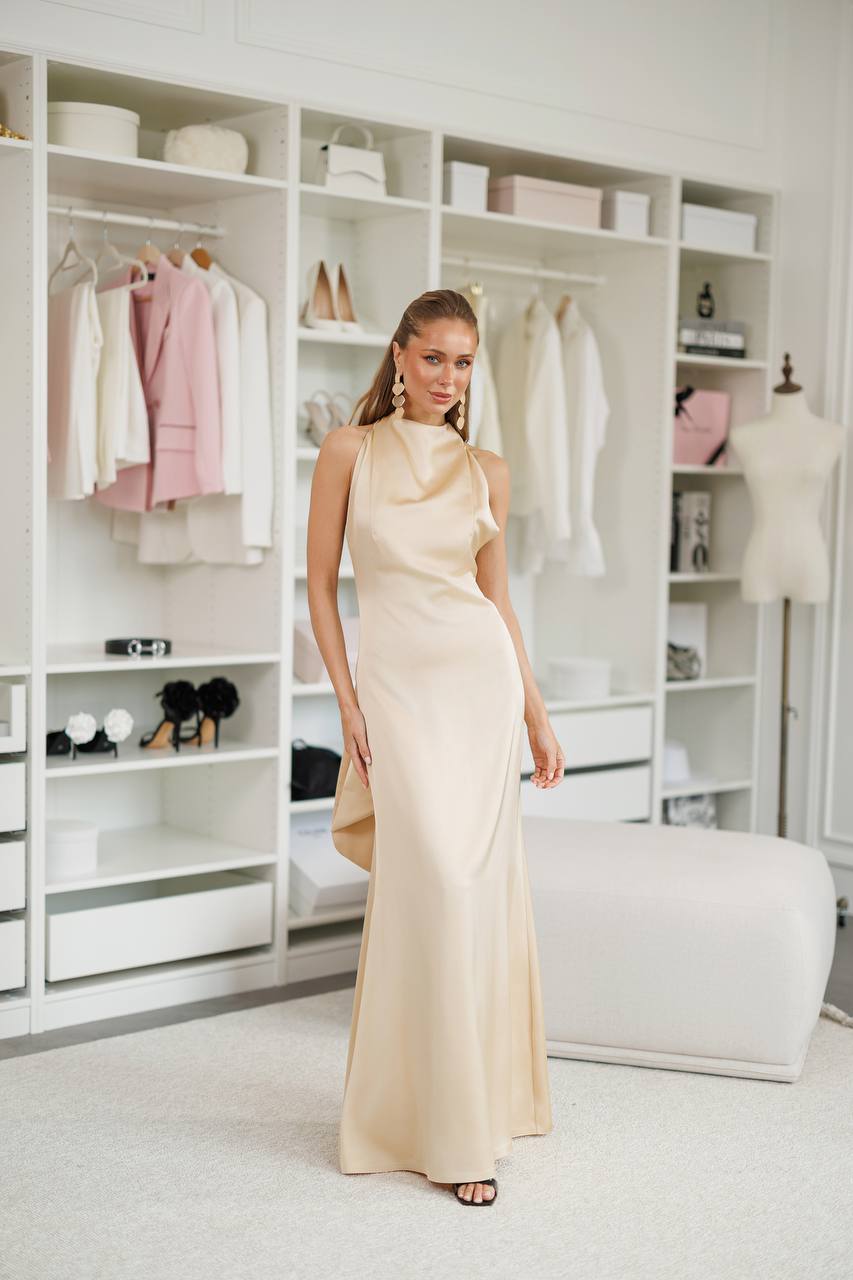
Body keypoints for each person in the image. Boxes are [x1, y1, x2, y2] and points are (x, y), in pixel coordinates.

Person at [306, 289, 564, 1206]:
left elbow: (497, 601)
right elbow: (319, 587)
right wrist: (346, 705)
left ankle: (463, 1129)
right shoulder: (349, 450)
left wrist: (534, 713)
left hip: (476, 689)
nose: (448, 379)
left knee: (467, 895)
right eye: (433, 359)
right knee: (432, 891)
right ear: (398, 354)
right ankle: (413, 1116)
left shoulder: (485, 469)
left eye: (463, 363)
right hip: (395, 695)